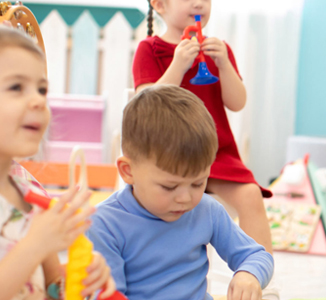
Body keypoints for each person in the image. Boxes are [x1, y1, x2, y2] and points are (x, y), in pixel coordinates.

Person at [87, 85, 273, 300]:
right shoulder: (104, 223)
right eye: (169, 187)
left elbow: (257, 254)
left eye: (198, 183)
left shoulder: (207, 210)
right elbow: (109, 295)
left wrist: (248, 274)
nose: (186, 199)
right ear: (128, 171)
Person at [133, 0, 274, 258]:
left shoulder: (220, 50)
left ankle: (261, 274)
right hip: (167, 156)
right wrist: (178, 64)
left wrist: (224, 65)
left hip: (216, 154)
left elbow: (237, 102)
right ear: (160, 5)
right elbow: (145, 103)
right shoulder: (149, 49)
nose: (199, 3)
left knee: (251, 194)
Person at [0, 27, 116, 300]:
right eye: (17, 87)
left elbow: (49, 284)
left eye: (42, 89)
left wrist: (80, 275)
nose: (39, 100)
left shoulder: (26, 190)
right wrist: (34, 246)